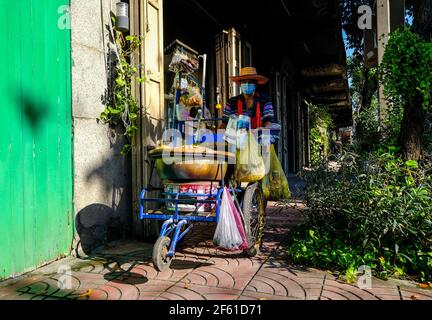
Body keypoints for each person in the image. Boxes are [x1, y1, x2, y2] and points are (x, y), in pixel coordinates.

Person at [220, 67, 280, 144]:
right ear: (240, 84)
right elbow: (225, 123)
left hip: (260, 146)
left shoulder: (265, 101)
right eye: (244, 82)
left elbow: (268, 122)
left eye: (250, 82)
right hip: (237, 146)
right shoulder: (232, 102)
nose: (247, 84)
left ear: (256, 84)